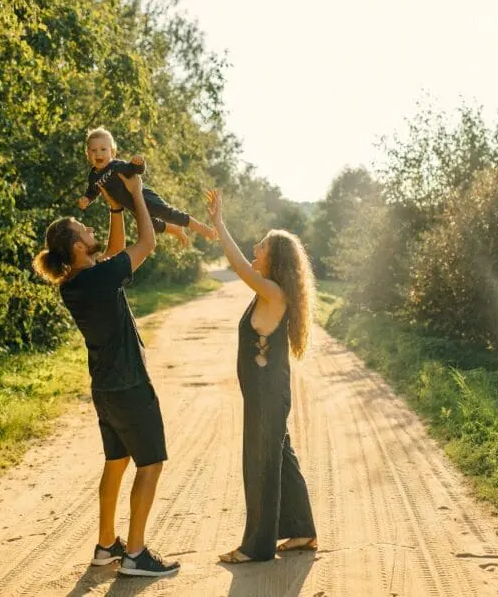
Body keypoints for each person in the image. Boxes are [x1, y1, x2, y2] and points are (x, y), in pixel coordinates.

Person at [32, 171, 180, 577]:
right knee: (150, 464)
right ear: (79, 246)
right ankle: (134, 554)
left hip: (105, 389)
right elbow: (146, 243)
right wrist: (135, 196)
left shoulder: (75, 282)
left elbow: (112, 250)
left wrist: (116, 209)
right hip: (130, 385)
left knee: (116, 461)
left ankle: (105, 546)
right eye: (85, 227)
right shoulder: (99, 277)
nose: (90, 226)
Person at [205, 189, 318, 563]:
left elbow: (237, 265)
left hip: (267, 394)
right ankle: (302, 531)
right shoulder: (269, 290)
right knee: (280, 456)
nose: (256, 247)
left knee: (260, 462)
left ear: (276, 258)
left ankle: (256, 546)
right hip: (267, 391)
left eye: (263, 245)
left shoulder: (271, 291)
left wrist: (219, 223)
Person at [77, 126, 216, 246]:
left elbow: (136, 170)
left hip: (145, 197)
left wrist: (139, 163)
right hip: (133, 206)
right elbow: (93, 191)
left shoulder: (117, 166)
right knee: (151, 226)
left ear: (112, 152)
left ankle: (203, 229)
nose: (98, 154)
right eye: (93, 151)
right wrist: (87, 199)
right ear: (87, 154)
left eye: (103, 149)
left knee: (168, 214)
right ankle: (175, 230)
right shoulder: (93, 176)